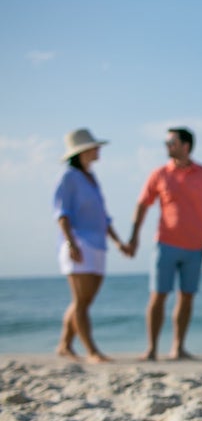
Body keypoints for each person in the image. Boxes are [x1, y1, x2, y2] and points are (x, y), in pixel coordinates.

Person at [128, 127, 202, 361]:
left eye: (171, 142)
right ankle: (151, 349)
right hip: (165, 244)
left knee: (187, 297)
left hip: (195, 247)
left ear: (185, 145)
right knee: (158, 295)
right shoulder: (159, 174)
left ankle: (178, 347)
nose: (167, 146)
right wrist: (134, 235)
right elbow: (142, 204)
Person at [53, 128, 132, 363]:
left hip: (97, 244)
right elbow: (62, 214)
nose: (98, 150)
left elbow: (103, 217)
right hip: (79, 243)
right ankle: (91, 351)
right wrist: (71, 243)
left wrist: (118, 242)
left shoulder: (91, 178)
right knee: (80, 301)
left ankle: (64, 345)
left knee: (84, 301)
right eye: (94, 147)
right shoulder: (69, 178)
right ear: (82, 152)